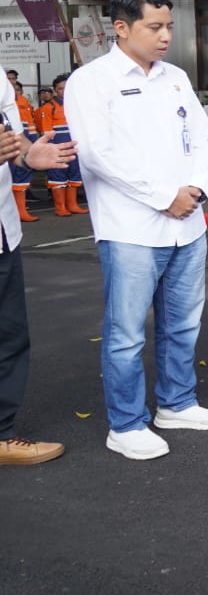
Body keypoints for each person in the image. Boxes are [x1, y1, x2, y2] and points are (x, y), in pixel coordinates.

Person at [65, 0, 208, 461]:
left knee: (183, 325)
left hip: (188, 224)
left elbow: (202, 142)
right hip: (132, 229)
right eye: (153, 27)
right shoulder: (91, 81)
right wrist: (163, 197)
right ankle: (127, 423)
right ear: (121, 28)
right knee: (126, 333)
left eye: (168, 27)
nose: (164, 37)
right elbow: (98, 156)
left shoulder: (176, 77)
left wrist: (196, 187)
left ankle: (177, 403)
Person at [0, 78, 79, 465]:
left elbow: (12, 138)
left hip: (4, 232)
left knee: (10, 336)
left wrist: (27, 155)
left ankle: (2, 436)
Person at [35, 74, 89, 217]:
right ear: (55, 90)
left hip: (75, 147)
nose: (63, 91)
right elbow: (47, 133)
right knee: (58, 176)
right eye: (60, 89)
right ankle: (60, 207)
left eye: (66, 88)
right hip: (58, 148)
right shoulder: (48, 107)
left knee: (74, 175)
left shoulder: (77, 106)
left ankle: (73, 205)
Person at [7, 72, 41, 222]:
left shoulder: (22, 101)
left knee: (22, 175)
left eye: (14, 79)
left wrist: (32, 140)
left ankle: (20, 211)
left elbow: (29, 123)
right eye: (9, 78)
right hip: (7, 142)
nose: (12, 82)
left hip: (23, 139)